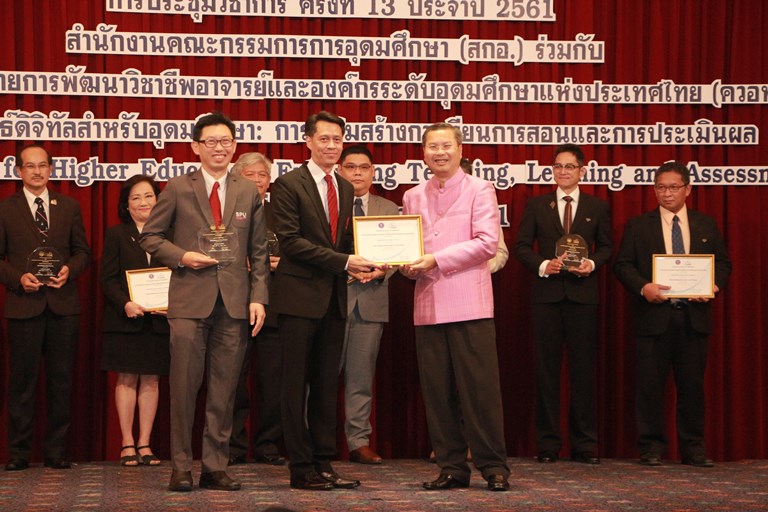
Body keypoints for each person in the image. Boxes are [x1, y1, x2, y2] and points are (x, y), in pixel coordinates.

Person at [139, 112, 269, 492]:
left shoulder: (247, 191)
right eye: (211, 141)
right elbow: (150, 236)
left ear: (234, 146)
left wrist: (259, 297)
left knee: (224, 390)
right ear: (196, 147)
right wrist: (182, 256)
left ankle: (214, 465)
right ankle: (181, 466)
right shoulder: (178, 187)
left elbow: (258, 251)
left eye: (226, 141)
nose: (219, 148)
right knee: (183, 388)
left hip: (233, 305)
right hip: (189, 304)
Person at [401, 123, 510, 492]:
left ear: (461, 149)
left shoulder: (480, 189)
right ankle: (451, 466)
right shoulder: (412, 196)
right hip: (428, 304)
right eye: (432, 146)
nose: (439, 153)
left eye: (446, 145)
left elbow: (485, 243)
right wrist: (403, 263)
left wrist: (433, 260)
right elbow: (409, 248)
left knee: (480, 391)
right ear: (423, 152)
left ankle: (493, 466)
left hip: (470, 304)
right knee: (438, 391)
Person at [270, 111, 375, 490]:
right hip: (298, 298)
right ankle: (300, 467)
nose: (332, 146)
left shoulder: (345, 188)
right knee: (295, 385)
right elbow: (292, 242)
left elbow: (341, 243)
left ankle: (323, 461)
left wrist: (364, 265)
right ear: (309, 141)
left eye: (337, 139)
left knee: (327, 384)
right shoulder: (287, 185)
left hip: (333, 297)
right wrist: (345, 261)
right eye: (325, 139)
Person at [614, 161, 731, 467]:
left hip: (694, 316)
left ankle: (693, 448)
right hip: (653, 317)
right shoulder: (639, 225)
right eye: (660, 187)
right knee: (650, 386)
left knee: (692, 386)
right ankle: (651, 447)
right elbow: (623, 265)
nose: (666, 194)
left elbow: (723, 263)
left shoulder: (705, 224)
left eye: (673, 187)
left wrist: (713, 285)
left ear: (688, 189)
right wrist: (643, 288)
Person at [513, 144, 611, 465]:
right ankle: (548, 445)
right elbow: (523, 246)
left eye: (570, 166)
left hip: (583, 298)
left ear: (583, 170)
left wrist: (592, 264)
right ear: (552, 170)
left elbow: (607, 247)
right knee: (547, 372)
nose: (563, 172)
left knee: (584, 373)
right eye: (558, 166)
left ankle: (585, 445)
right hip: (547, 298)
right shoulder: (537, 206)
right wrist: (544, 265)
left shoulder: (597, 207)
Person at [0, 144, 91, 471]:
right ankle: (18, 453)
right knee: (22, 384)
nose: (37, 172)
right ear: (18, 171)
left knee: (61, 382)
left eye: (43, 166)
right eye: (30, 166)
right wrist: (17, 278)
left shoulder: (68, 206)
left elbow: (83, 252)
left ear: (51, 169)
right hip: (23, 306)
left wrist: (70, 270)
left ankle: (57, 452)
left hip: (63, 307)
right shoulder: (5, 209)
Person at [100, 175, 170, 467]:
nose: (143, 203)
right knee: (126, 378)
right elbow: (108, 278)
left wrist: (172, 302)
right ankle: (127, 442)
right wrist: (125, 303)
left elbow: (179, 275)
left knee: (152, 380)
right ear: (126, 205)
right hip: (125, 320)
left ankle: (145, 443)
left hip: (159, 322)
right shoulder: (117, 234)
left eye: (149, 196)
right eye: (135, 198)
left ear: (158, 200)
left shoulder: (171, 233)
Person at [337, 145, 399, 465]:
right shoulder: (327, 206)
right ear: (339, 170)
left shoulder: (390, 209)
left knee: (361, 379)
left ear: (373, 172)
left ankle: (358, 441)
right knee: (317, 377)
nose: (357, 173)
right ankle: (312, 441)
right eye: (351, 167)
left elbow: (402, 255)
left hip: (370, 303)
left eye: (364, 168)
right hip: (330, 303)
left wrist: (383, 270)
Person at [228, 152, 285, 466]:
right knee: (233, 382)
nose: (258, 180)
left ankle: (267, 445)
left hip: (274, 306)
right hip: (234, 307)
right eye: (250, 174)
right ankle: (233, 446)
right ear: (237, 179)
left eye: (262, 174)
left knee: (273, 383)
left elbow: (299, 248)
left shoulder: (282, 211)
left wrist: (281, 262)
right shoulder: (225, 211)